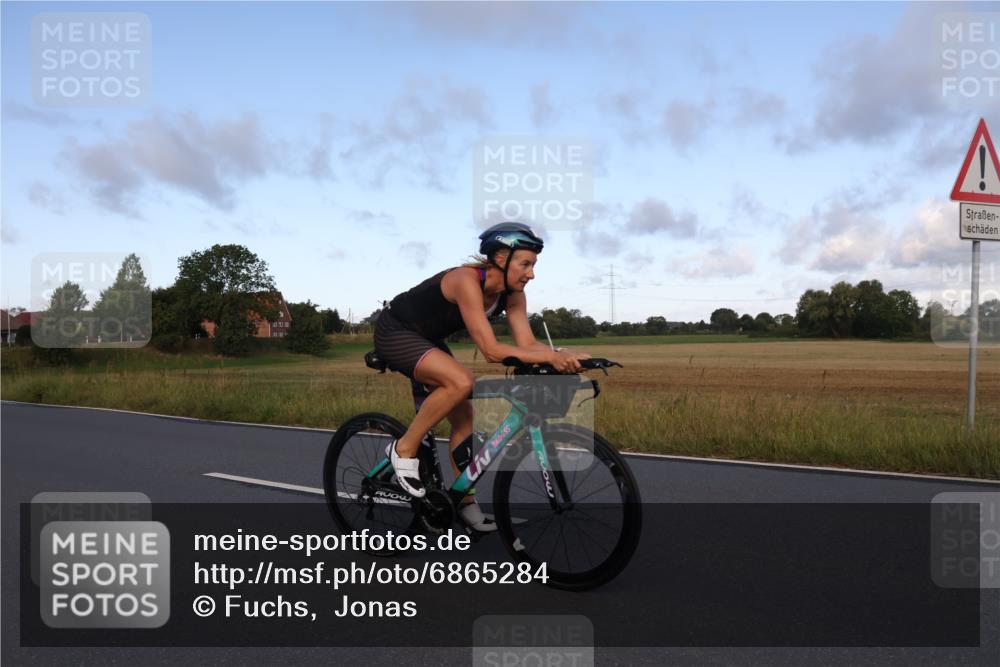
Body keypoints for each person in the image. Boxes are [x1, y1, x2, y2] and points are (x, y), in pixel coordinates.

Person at [372, 222, 590, 531]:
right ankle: (403, 448)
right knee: (461, 381)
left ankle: (465, 501)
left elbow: (527, 345)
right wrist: (551, 357)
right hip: (396, 331)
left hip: (427, 339)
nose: (531, 273)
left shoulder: (512, 295)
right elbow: (491, 350)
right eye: (525, 264)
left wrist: (567, 356)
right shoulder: (465, 280)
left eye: (533, 265)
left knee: (466, 420)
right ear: (501, 259)